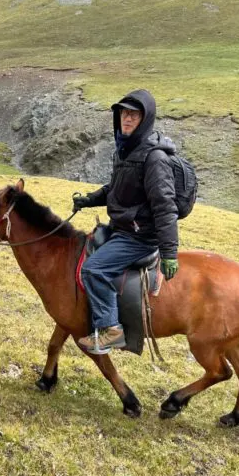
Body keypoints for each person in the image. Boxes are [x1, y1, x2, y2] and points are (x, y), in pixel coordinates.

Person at [72, 89, 179, 354]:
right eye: (123, 113)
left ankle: (110, 330)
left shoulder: (154, 158)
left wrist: (169, 252)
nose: (127, 119)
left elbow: (165, 206)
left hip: (139, 237)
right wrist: (90, 199)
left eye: (134, 114)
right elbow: (116, 188)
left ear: (145, 119)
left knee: (93, 269)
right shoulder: (125, 150)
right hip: (122, 229)